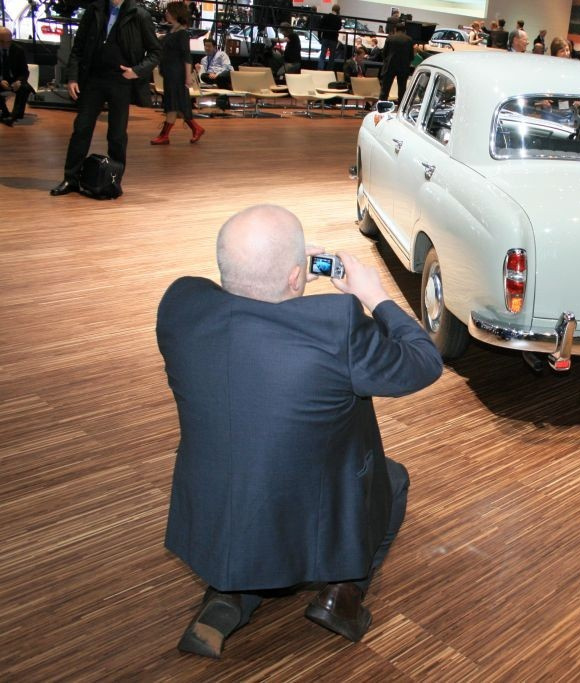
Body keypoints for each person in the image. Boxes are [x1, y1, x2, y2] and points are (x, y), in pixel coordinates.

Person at [157, 204, 443, 659]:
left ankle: (229, 595)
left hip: (217, 504)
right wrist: (375, 296)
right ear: (297, 276)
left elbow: (237, 302)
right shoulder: (334, 329)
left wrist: (276, 278)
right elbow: (424, 362)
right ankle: (343, 594)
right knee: (392, 479)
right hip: (311, 514)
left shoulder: (179, 308)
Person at [50, 0, 161, 197]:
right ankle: (71, 178)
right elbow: (78, 47)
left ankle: (113, 180)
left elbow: (156, 52)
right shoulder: (94, 9)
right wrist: (73, 77)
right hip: (93, 79)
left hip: (121, 82)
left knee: (117, 135)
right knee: (81, 129)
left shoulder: (139, 15)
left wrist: (136, 71)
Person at [151, 2, 204, 145]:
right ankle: (195, 128)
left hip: (177, 73)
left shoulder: (182, 33)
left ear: (175, 13)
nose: (166, 14)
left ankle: (165, 135)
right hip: (170, 72)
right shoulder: (173, 30)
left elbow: (187, 56)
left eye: (168, 11)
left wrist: (188, 76)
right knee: (175, 103)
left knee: (174, 103)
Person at [1, 27, 35, 126]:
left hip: (14, 80)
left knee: (24, 87)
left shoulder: (18, 50)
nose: (5, 45)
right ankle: (4, 111)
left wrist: (19, 81)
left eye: (8, 42)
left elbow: (24, 71)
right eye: (1, 42)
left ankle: (15, 116)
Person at [378, 21, 413, 103]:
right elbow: (411, 56)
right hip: (403, 67)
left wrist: (387, 61)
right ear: (404, 30)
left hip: (390, 66)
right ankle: (401, 107)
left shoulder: (390, 38)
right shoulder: (409, 40)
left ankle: (381, 106)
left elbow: (384, 53)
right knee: (402, 90)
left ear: (395, 29)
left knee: (385, 90)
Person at [317, 4, 341, 71]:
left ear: (332, 9)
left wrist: (319, 37)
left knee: (322, 55)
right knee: (332, 56)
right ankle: (329, 70)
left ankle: (320, 69)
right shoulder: (338, 19)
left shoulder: (326, 16)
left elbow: (320, 26)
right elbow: (339, 27)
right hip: (333, 39)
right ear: (338, 10)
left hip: (325, 37)